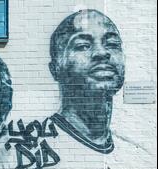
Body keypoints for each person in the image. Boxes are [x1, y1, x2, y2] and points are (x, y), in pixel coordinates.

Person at [49, 9, 125, 154]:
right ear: (55, 69)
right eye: (83, 46)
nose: (102, 52)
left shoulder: (137, 154)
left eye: (112, 44)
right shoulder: (26, 154)